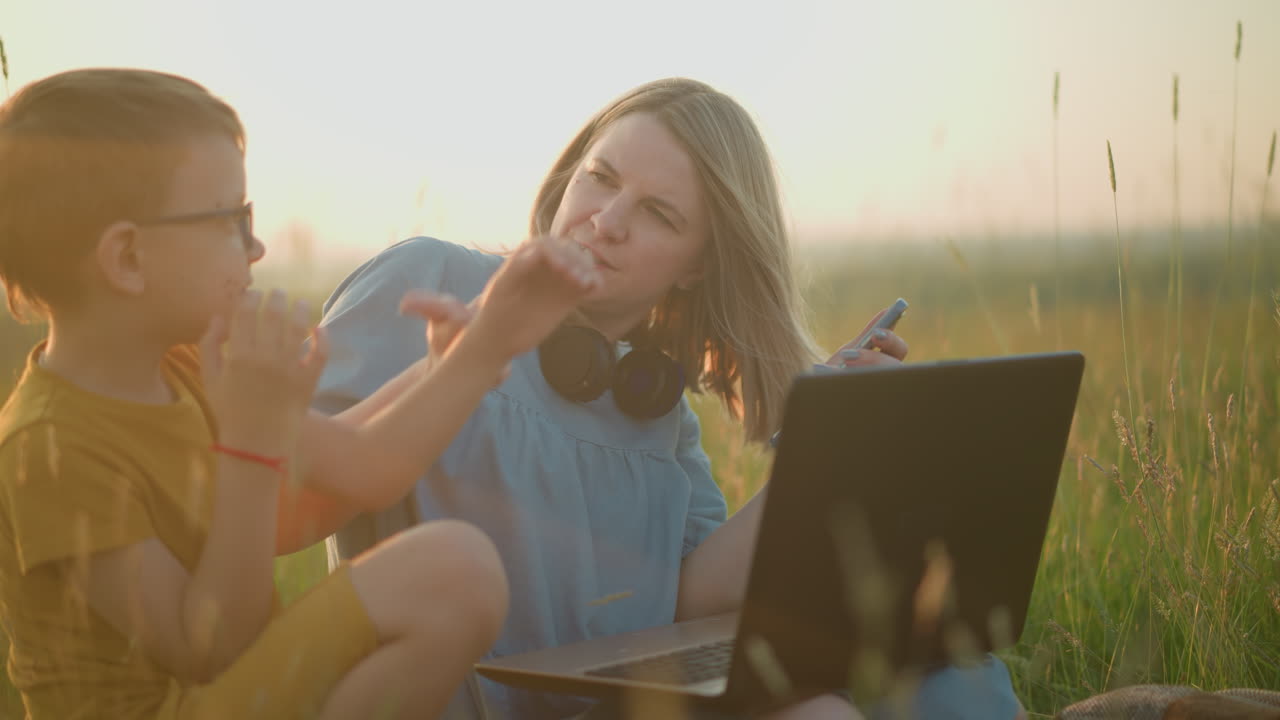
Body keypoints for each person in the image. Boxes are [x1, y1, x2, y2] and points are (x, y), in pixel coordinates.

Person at [317, 78, 1024, 719]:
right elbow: (294, 474)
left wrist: (830, 444)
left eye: (656, 212)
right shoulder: (429, 280)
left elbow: (692, 601)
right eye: (600, 178)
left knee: (949, 666)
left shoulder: (655, 407)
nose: (605, 221)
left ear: (699, 267)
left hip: (617, 709)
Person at [0, 68, 602, 720]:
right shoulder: (49, 446)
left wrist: (483, 345)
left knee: (456, 569)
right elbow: (213, 652)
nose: (256, 247)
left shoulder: (186, 371)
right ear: (127, 258)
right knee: (453, 570)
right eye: (233, 219)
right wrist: (252, 444)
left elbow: (367, 470)